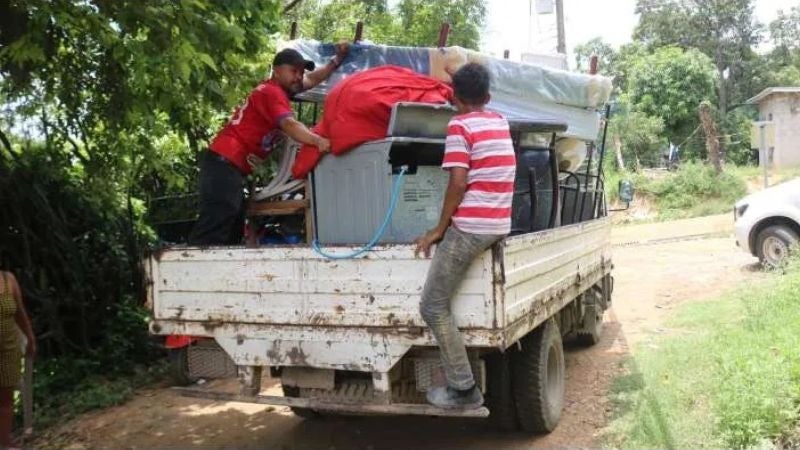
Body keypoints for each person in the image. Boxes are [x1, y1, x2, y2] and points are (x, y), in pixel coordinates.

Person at [414, 63, 516, 409]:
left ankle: (463, 388)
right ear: (487, 97)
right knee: (439, 303)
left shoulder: (459, 124)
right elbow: (473, 90)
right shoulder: (499, 120)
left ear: (453, 97)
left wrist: (439, 230)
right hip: (499, 223)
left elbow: (458, 182)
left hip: (472, 227)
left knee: (432, 306)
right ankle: (462, 385)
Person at [188, 44, 349, 246]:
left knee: (231, 229)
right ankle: (192, 270)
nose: (299, 77)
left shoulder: (279, 90)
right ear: (277, 70)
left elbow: (313, 79)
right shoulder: (271, 93)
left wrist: (337, 60)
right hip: (224, 163)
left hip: (231, 167)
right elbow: (289, 124)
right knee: (216, 225)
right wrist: (318, 141)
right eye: (294, 71)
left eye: (301, 72)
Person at [1, 271, 35, 450]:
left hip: (8, 349)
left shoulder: (8, 280)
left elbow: (19, 311)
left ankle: (5, 443)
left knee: (6, 398)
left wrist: (30, 337)